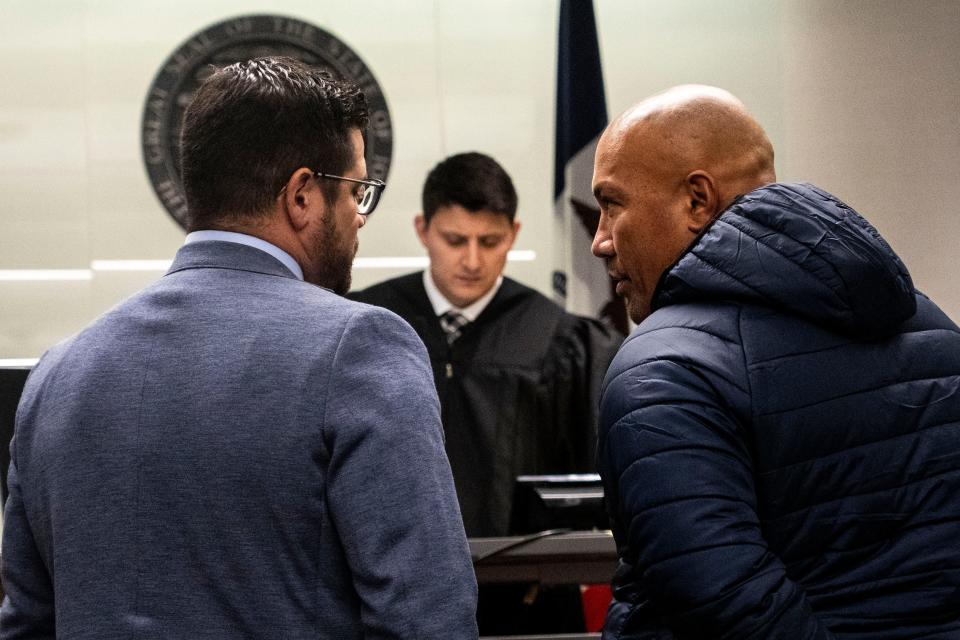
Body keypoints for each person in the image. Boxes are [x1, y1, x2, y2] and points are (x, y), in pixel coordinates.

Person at [0, 57, 478, 639]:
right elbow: (427, 619)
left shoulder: (57, 374)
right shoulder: (360, 349)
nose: (359, 215)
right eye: (357, 191)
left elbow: (27, 625)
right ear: (301, 195)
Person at [590, 84, 960, 639]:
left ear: (697, 200)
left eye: (611, 204)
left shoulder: (662, 370)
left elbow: (725, 606)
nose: (599, 240)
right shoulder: (931, 325)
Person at [350, 152, 621, 633]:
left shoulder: (561, 341)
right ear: (423, 229)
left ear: (513, 235)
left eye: (490, 242)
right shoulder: (364, 325)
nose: (472, 260)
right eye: (455, 240)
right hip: (389, 595)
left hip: (529, 599)